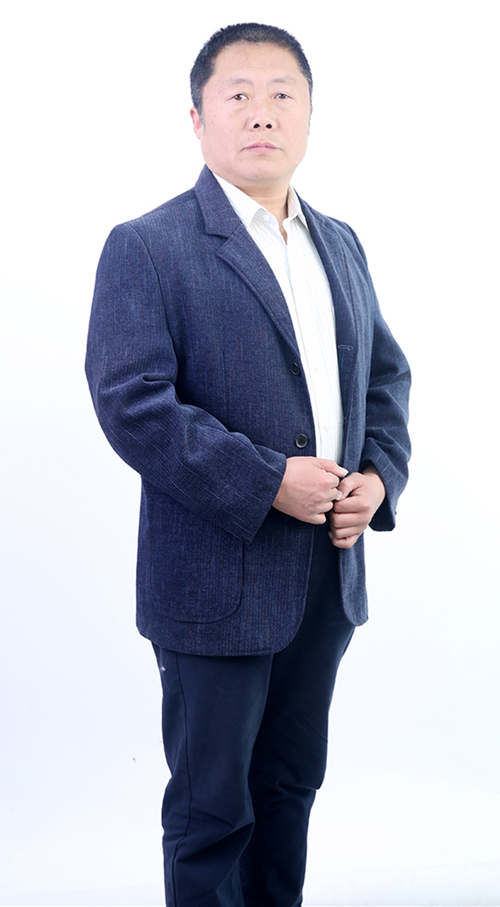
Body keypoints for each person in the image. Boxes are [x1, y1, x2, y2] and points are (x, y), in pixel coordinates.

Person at [85, 22, 411, 907]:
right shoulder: (148, 245)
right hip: (213, 581)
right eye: (238, 95)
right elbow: (132, 403)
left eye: (282, 94)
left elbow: (385, 378)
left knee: (288, 788)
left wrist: (377, 477)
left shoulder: (340, 242)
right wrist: (268, 481)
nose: (262, 112)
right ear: (197, 120)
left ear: (309, 116)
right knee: (213, 813)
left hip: (326, 576)